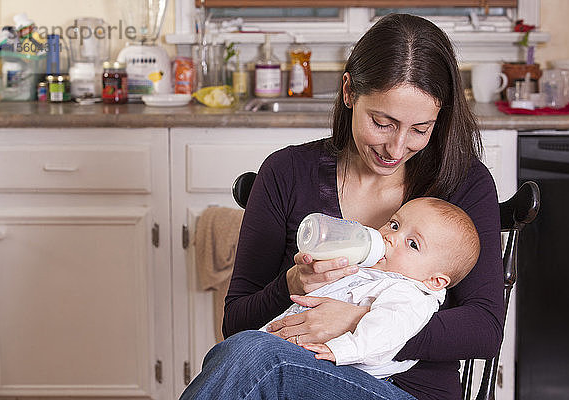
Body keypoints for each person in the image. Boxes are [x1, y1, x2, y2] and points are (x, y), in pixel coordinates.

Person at [180, 12, 503, 400]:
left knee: (260, 358)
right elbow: (236, 323)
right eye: (383, 122)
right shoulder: (287, 173)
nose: (397, 149)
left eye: (420, 129)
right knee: (251, 353)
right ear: (349, 92)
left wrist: (360, 322)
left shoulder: (463, 183)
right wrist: (290, 286)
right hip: (299, 375)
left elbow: (484, 328)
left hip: (408, 392)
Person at [261, 197, 480, 379]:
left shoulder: (409, 295)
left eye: (412, 243)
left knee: (251, 356)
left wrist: (339, 350)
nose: (390, 237)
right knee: (244, 351)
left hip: (341, 365)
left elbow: (385, 329)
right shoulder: (370, 270)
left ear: (435, 281)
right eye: (394, 225)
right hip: (292, 347)